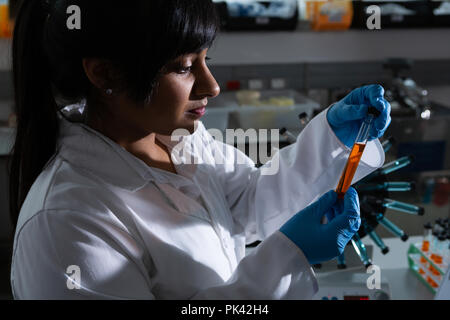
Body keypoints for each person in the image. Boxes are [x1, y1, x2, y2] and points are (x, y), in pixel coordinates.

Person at [9, 0, 391, 300]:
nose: (212, 86)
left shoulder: (179, 138)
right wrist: (288, 261)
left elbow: (246, 200)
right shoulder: (68, 220)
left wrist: (332, 141)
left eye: (207, 59)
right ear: (105, 73)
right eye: (184, 67)